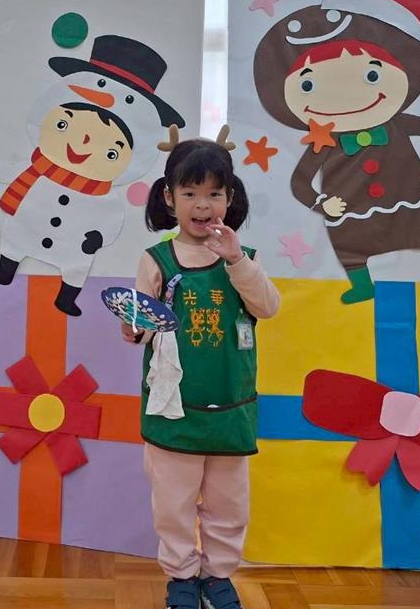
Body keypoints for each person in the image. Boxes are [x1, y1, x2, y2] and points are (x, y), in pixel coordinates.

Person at [122, 126, 280, 609]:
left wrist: (235, 261)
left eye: (214, 193)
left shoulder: (243, 258)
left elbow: (268, 306)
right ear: (169, 198)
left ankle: (218, 576)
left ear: (230, 198)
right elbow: (143, 324)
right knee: (172, 504)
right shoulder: (156, 260)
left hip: (231, 405)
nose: (202, 204)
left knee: (229, 505)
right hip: (173, 408)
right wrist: (133, 329)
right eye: (189, 192)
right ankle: (182, 576)